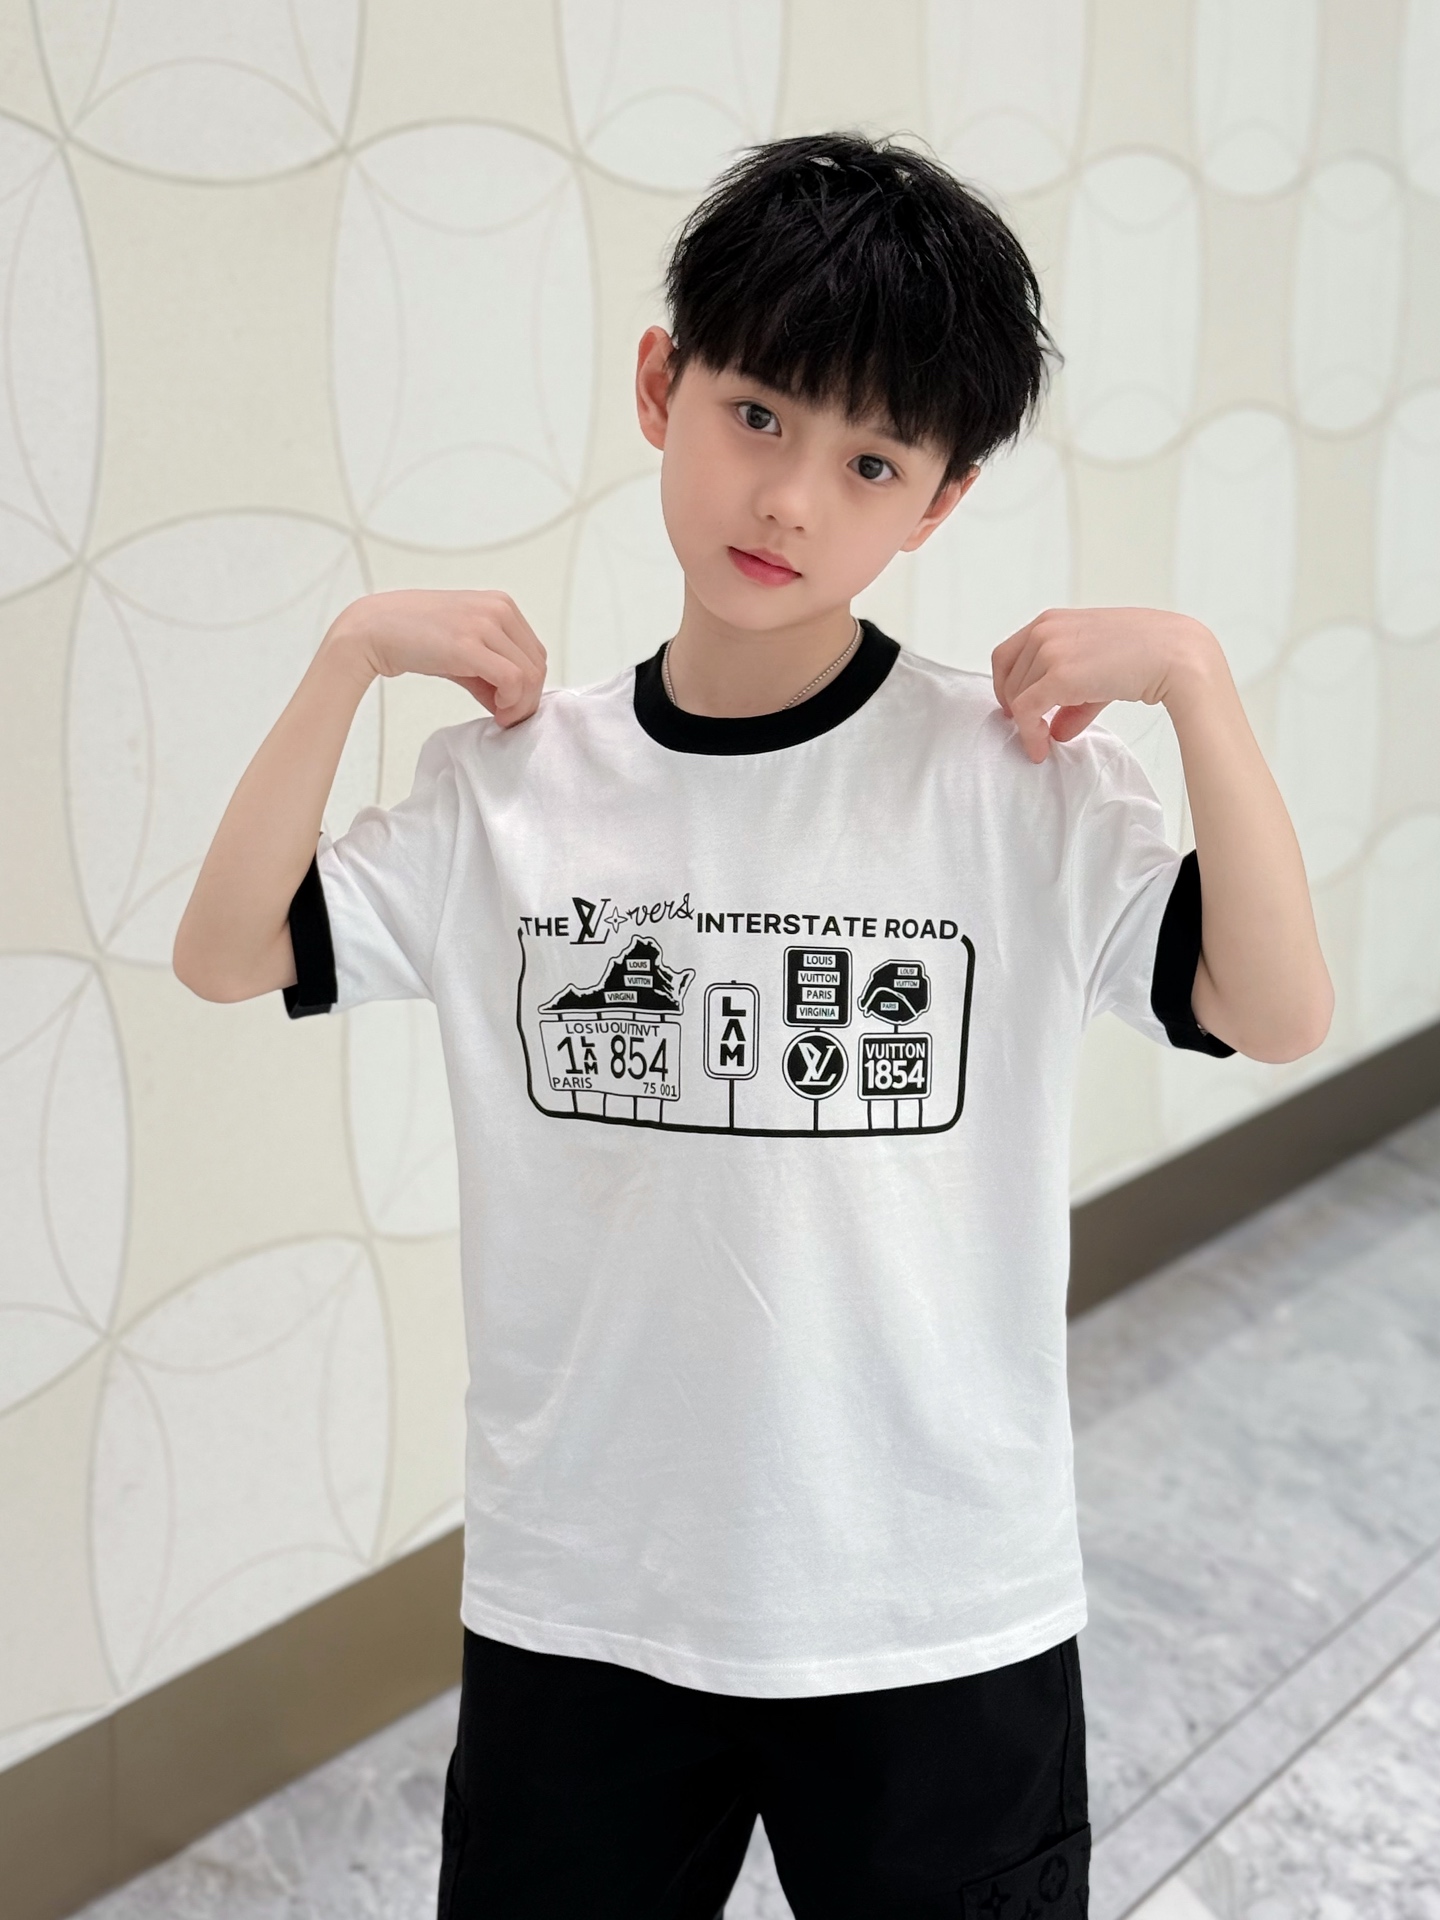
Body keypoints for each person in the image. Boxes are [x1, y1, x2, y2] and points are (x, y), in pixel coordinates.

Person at [173, 131, 1333, 1920]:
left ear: (937, 502)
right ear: (663, 386)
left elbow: (1275, 1006)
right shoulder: (517, 789)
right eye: (758, 415)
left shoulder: (1006, 785)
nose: (790, 498)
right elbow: (227, 951)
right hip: (588, 1599)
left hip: (936, 1604)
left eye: (869, 461)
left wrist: (1194, 683)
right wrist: (349, 657)